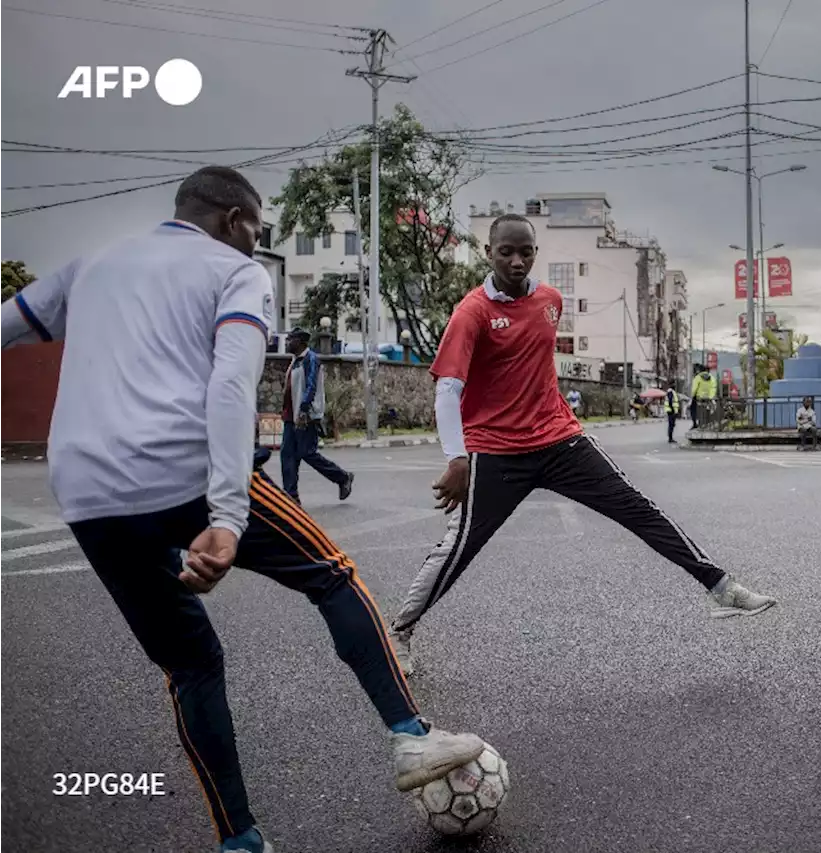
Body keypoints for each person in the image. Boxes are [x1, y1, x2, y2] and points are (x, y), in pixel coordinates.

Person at [0, 166, 486, 853]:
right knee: (331, 574)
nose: (257, 243)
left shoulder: (92, 265)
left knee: (191, 664)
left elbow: (6, 328)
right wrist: (226, 517)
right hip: (184, 468)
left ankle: (240, 842)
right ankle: (410, 736)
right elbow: (231, 383)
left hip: (84, 487)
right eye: (257, 229)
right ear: (234, 221)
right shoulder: (235, 273)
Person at [387, 214, 777, 675]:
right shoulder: (471, 313)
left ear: (535, 253)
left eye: (525, 252)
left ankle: (721, 588)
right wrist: (457, 459)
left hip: (559, 440)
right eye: (505, 252)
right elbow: (448, 390)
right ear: (489, 253)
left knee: (638, 508)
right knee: (458, 549)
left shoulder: (550, 301)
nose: (516, 261)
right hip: (496, 450)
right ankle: (398, 632)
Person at [280, 326, 354, 506]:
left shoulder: (310, 359)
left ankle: (343, 477)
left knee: (307, 453)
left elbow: (311, 386)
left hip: (305, 416)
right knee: (287, 454)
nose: (288, 342)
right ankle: (291, 496)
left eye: (291, 339)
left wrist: (305, 410)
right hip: (291, 417)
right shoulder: (295, 361)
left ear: (301, 342)